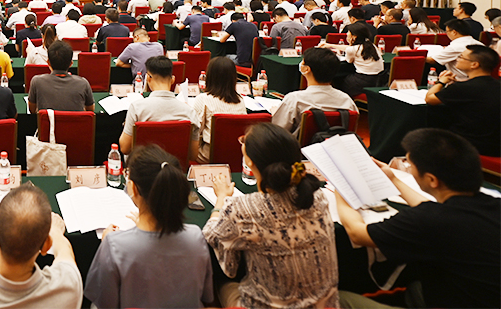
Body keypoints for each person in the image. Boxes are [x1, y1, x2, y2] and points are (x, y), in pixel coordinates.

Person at [336, 128, 500, 309]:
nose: (408, 168)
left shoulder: (427, 221)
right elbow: (431, 210)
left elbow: (357, 233)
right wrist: (393, 179)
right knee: (415, 286)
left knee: (340, 299)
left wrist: (341, 188)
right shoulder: (492, 203)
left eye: (409, 164)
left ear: (432, 180)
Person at [203, 122, 336, 308]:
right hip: (325, 304)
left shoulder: (242, 208)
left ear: (249, 161)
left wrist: (221, 199)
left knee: (218, 279)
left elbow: (212, 238)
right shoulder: (317, 196)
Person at [85, 146, 213, 308]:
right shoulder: (196, 237)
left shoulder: (114, 245)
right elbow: (206, 296)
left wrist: (106, 243)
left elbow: (105, 302)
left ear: (133, 188)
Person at [424, 44, 500, 156]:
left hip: (469, 143)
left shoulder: (464, 87)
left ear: (474, 64)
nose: (457, 59)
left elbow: (430, 99)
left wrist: (441, 82)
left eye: (461, 57)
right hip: (495, 144)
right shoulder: (497, 85)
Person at [119, 56, 197, 157]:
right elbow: (193, 154)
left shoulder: (137, 108)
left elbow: (125, 148)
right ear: (173, 79)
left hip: (144, 164)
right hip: (176, 165)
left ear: (148, 78)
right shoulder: (190, 112)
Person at [271, 47, 358, 136]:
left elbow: (277, 132)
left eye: (303, 62)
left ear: (306, 69)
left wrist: (276, 114)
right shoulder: (347, 100)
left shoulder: (294, 99)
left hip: (300, 145)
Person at [191, 57, 247, 163]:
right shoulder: (240, 100)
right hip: (236, 154)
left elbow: (195, 131)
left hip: (209, 155)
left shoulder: (203, 99)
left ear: (210, 77)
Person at [27, 40, 93, 113]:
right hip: (75, 121)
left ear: (48, 62)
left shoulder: (36, 82)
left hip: (49, 121)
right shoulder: (83, 83)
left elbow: (32, 110)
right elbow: (90, 111)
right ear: (71, 63)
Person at [322, 21, 385, 96]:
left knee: (337, 79)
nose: (347, 36)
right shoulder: (371, 45)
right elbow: (349, 48)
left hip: (362, 80)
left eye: (348, 34)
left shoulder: (353, 49)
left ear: (354, 36)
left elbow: (349, 60)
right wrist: (329, 45)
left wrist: (348, 44)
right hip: (378, 79)